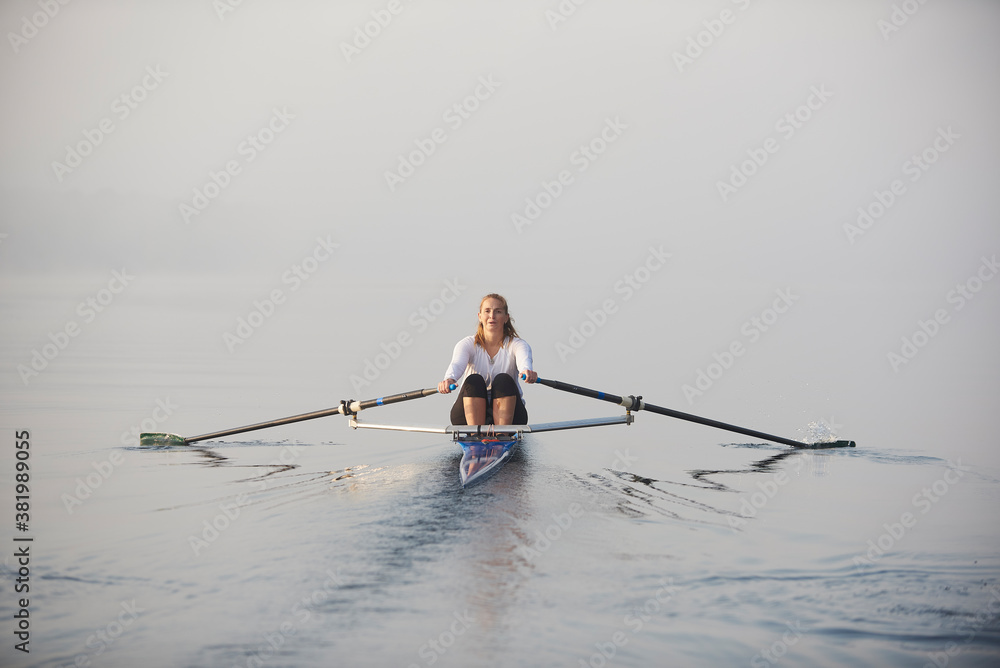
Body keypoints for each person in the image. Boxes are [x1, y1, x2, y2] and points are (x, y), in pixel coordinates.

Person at [438, 293, 537, 425]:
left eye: (498, 311)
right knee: (473, 380)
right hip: (469, 410)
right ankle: (475, 434)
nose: (492, 316)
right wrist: (449, 379)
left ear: (506, 318)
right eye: (487, 311)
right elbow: (456, 365)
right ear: (480, 316)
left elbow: (524, 361)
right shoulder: (467, 344)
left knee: (503, 379)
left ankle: (502, 435)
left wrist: (527, 371)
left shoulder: (518, 345)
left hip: (511, 413)